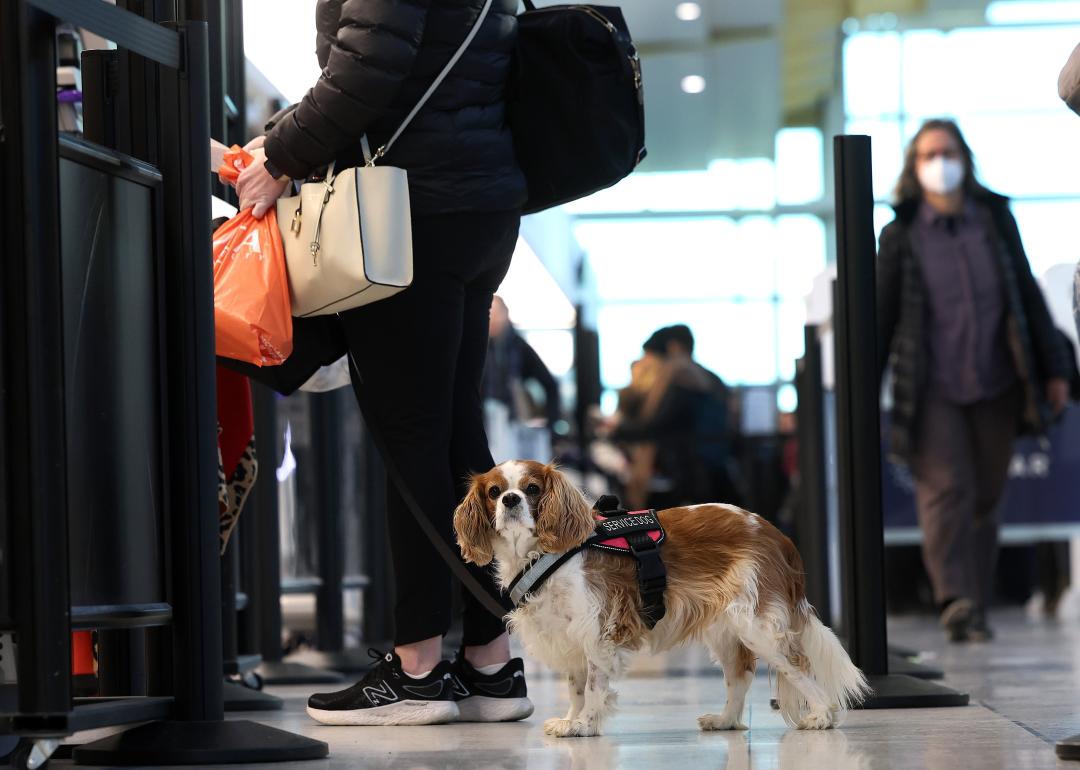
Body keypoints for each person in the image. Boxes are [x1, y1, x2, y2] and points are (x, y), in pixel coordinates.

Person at [234, 0, 532, 725]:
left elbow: (366, 73)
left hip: (406, 217)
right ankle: (490, 661)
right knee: (457, 439)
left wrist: (276, 158)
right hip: (477, 209)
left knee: (412, 445)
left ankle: (418, 667)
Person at [877, 118, 1069, 643]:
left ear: (964, 158)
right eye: (928, 154)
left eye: (948, 151)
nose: (940, 162)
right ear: (914, 168)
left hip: (997, 382)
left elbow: (1027, 298)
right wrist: (863, 384)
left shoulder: (995, 220)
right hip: (931, 388)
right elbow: (883, 314)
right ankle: (955, 598)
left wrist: (1055, 368)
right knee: (946, 490)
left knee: (986, 491)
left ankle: (975, 600)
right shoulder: (900, 233)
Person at [484, 296, 562, 430]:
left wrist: (551, 424)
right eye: (490, 315)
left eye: (497, 314)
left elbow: (550, 384)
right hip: (483, 422)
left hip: (513, 424)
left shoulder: (519, 347)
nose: (494, 320)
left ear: (506, 314)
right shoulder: (477, 346)